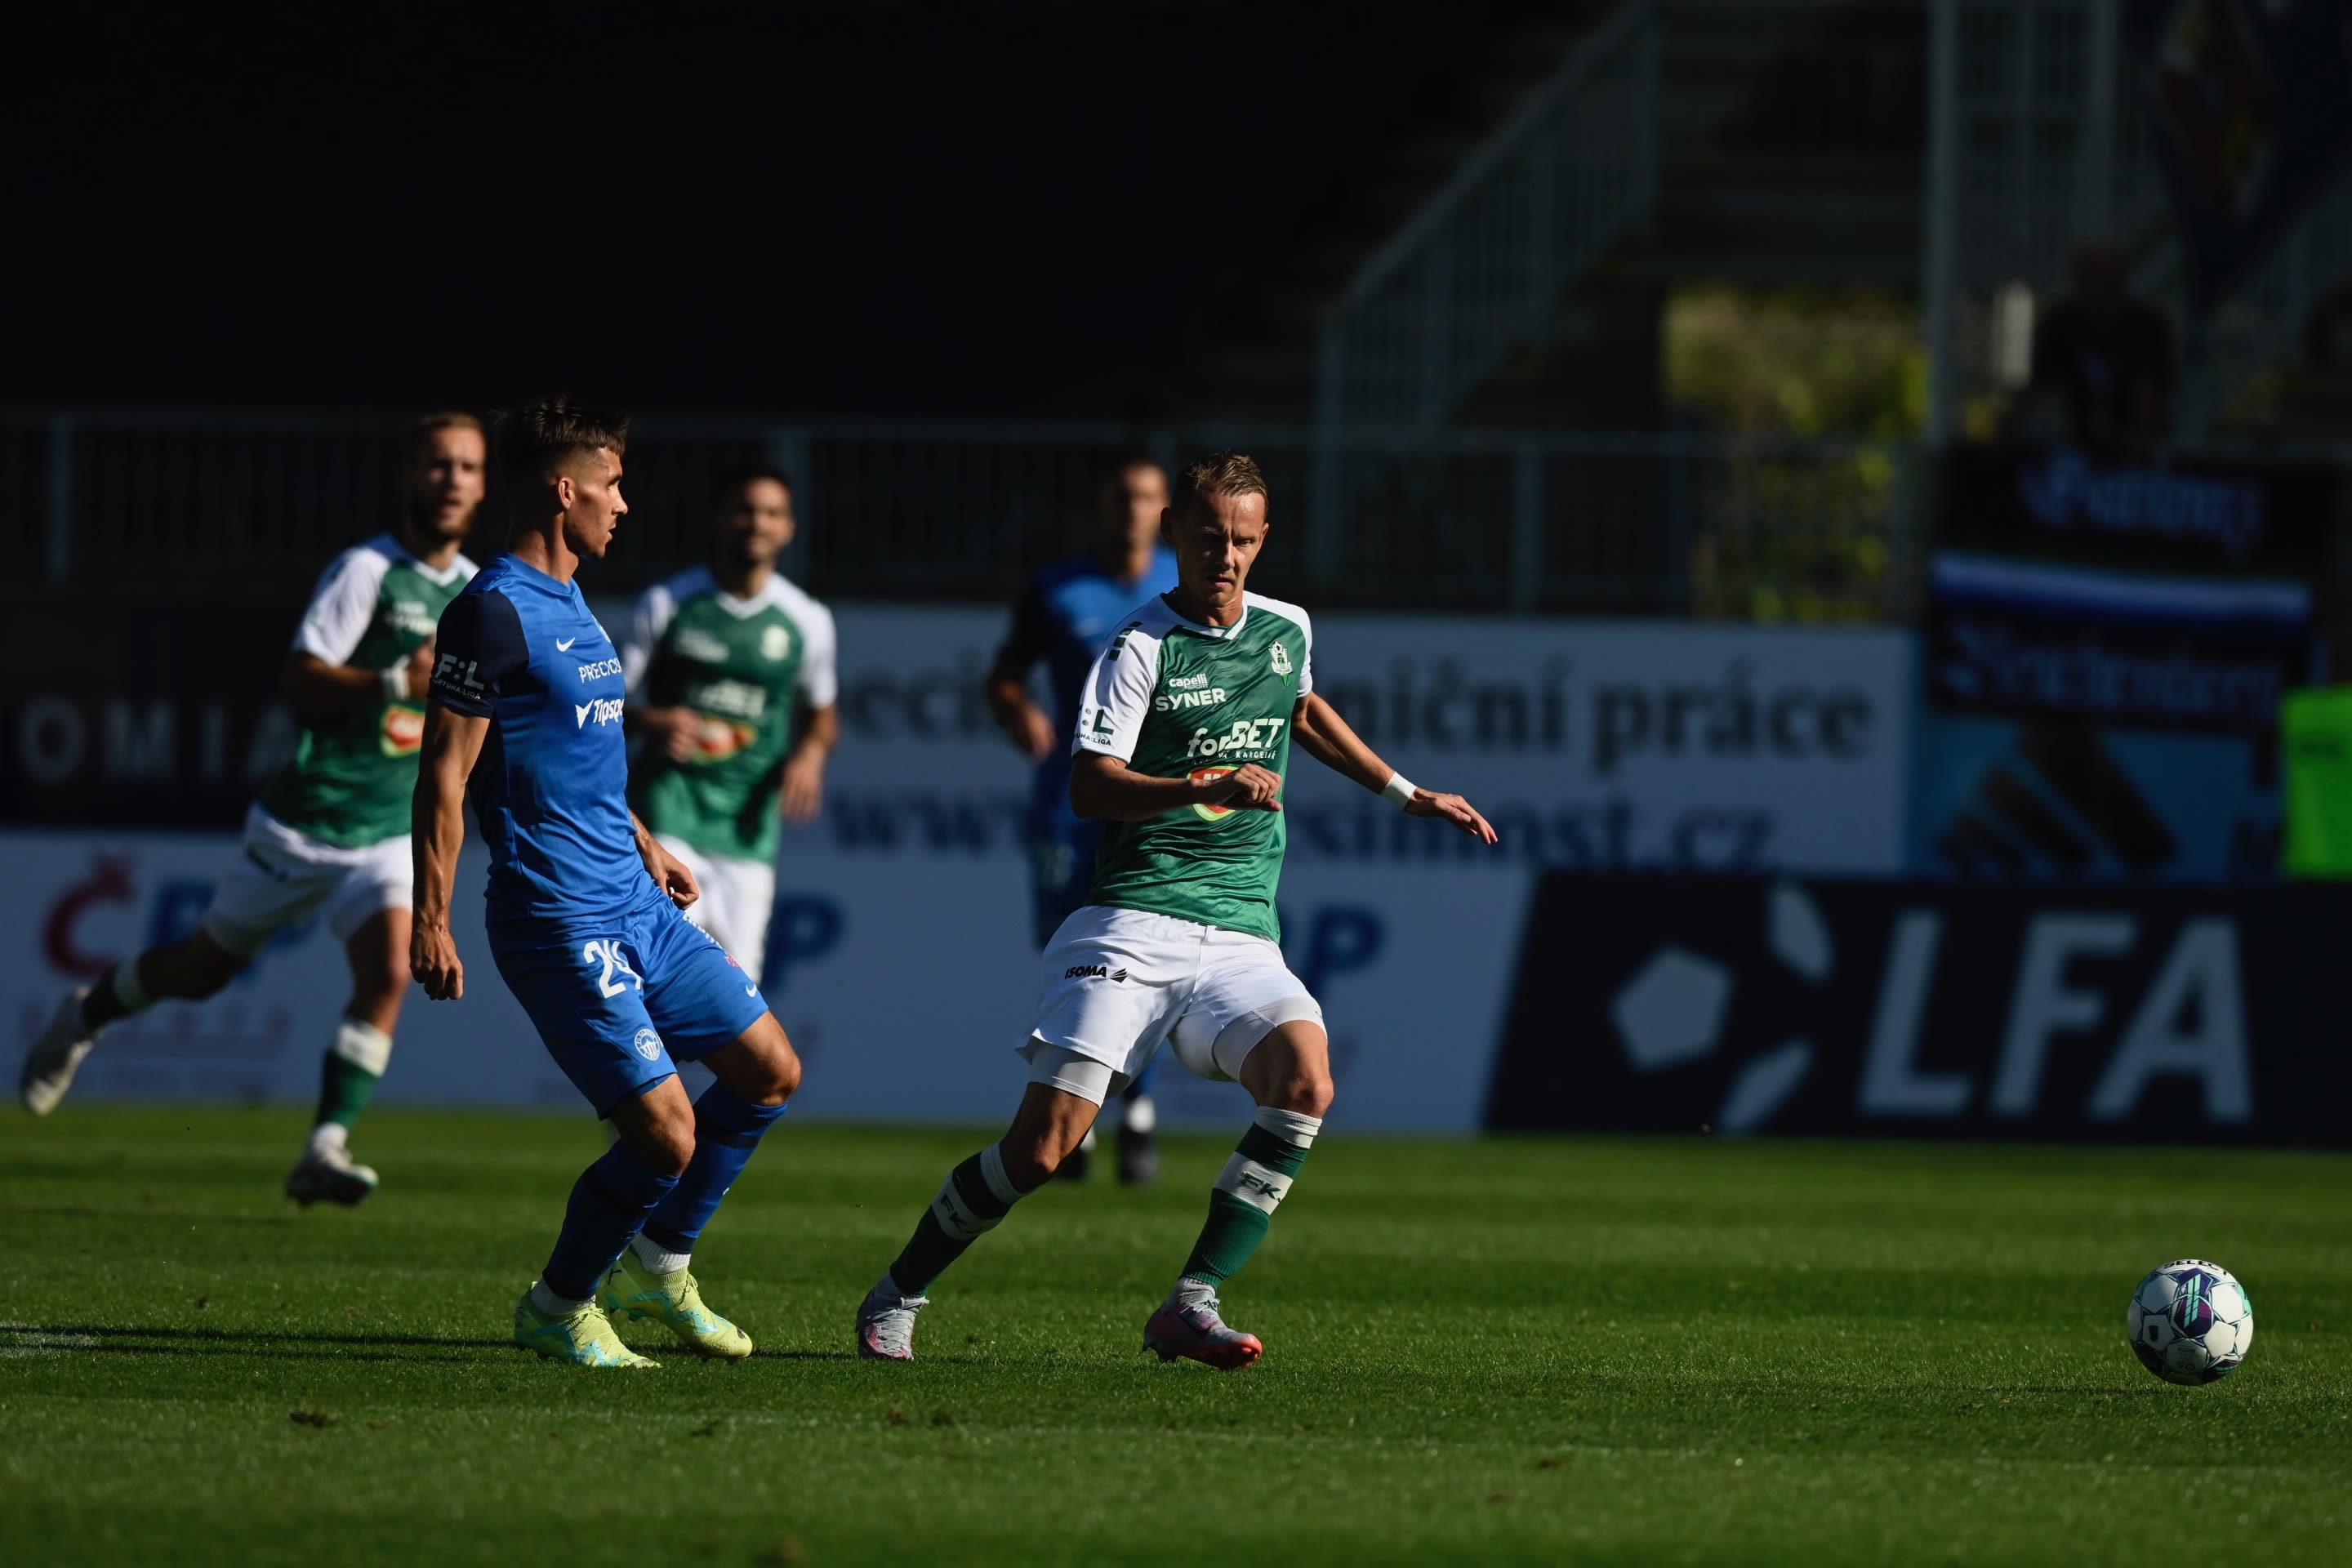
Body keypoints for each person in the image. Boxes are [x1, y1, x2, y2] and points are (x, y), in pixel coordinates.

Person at [856, 452, 1497, 1369]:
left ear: (1263, 539)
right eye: (1206, 540)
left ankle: (1191, 1302)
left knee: (1306, 1084)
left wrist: (1408, 792)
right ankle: (900, 1289)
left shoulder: (1287, 627)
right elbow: (1089, 787)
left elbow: (1302, 712)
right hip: (1132, 921)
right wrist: (1200, 783)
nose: (1224, 557)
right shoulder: (1139, 646)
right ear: (1175, 539)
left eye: (1241, 541)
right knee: (1040, 1152)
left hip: (1240, 933)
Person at [411, 398, 804, 1369]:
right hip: (556, 914)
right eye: (613, 483)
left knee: (769, 1072)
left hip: (633, 894)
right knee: (666, 1136)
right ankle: (557, 1303)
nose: (623, 504)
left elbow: (571, 758)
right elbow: (445, 776)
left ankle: (659, 1266)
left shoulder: (576, 601)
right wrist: (432, 918)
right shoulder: (491, 611)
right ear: (563, 488)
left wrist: (646, 840)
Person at [19, 412, 486, 1208]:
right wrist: (386, 682)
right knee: (204, 970)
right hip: (301, 822)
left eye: (469, 467)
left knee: (389, 973)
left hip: (382, 833)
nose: (452, 480)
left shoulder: (476, 593)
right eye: (438, 464)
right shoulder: (367, 571)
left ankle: (326, 1145)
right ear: (410, 475)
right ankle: (88, 1011)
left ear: (483, 486)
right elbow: (300, 680)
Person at [983, 457, 1178, 1184]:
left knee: (1143, 950)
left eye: (1147, 498)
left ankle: (1136, 1114)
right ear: (1103, 506)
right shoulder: (1057, 589)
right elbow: (1003, 673)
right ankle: (1074, 1120)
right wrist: (1018, 707)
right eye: (1122, 496)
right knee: (1071, 951)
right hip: (1068, 798)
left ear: (1166, 511)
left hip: (1149, 798)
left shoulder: (1181, 587)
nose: (1133, 510)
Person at [621, 466, 837, 986]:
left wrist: (809, 756)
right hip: (670, 814)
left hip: (748, 830)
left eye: (771, 513)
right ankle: (648, 1069)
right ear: (720, 520)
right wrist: (651, 720)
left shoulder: (804, 619)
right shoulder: (668, 604)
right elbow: (603, 702)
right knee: (664, 976)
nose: (756, 523)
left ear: (789, 528)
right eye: (745, 510)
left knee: (738, 998)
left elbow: (822, 713)